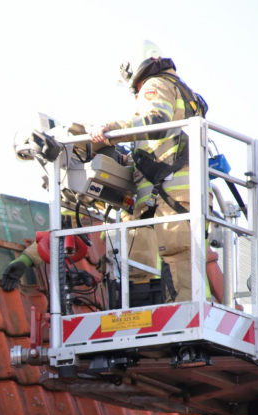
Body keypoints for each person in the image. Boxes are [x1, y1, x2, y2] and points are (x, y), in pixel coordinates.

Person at [90, 40, 206, 302]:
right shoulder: (182, 91)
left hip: (173, 191)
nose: (136, 91)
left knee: (178, 253)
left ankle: (185, 312)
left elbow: (156, 121)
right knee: (183, 257)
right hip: (183, 191)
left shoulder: (154, 85)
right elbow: (167, 141)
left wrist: (111, 130)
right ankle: (185, 306)